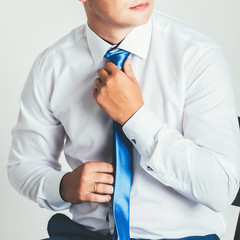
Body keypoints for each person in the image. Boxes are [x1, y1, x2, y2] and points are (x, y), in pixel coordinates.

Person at [8, 0, 240, 239]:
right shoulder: (52, 66)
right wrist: (63, 186)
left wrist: (135, 117)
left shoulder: (197, 56)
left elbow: (221, 188)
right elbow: (24, 164)